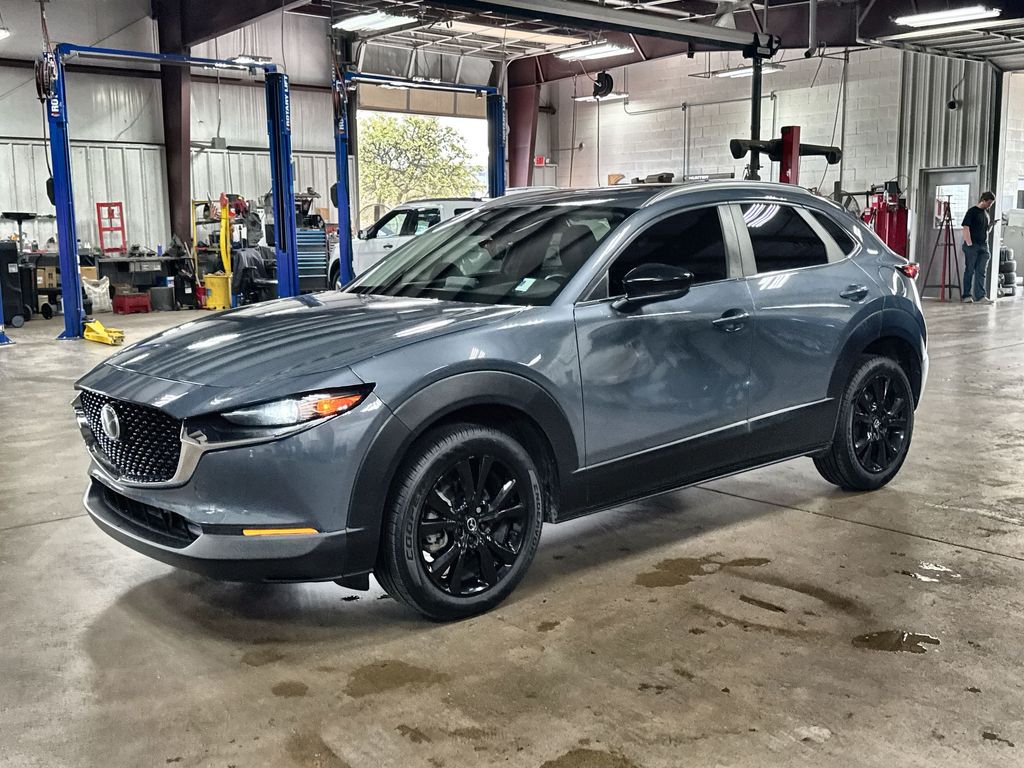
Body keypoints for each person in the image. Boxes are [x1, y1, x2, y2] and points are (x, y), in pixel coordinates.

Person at [962, 191, 996, 304]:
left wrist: (991, 225)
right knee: (969, 270)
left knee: (981, 271)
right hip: (973, 246)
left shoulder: (986, 214)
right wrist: (969, 244)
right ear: (984, 200)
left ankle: (980, 296)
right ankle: (966, 295)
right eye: (989, 203)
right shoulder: (972, 212)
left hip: (983, 246)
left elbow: (986, 231)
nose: (990, 206)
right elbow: (965, 227)